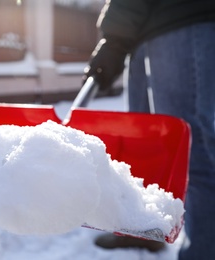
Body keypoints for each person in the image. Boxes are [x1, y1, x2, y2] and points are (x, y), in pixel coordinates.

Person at [84, 0, 215, 259]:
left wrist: (115, 36)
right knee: (144, 144)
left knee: (190, 146)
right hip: (144, 32)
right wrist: (119, 40)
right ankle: (146, 228)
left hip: (184, 19)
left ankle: (204, 250)